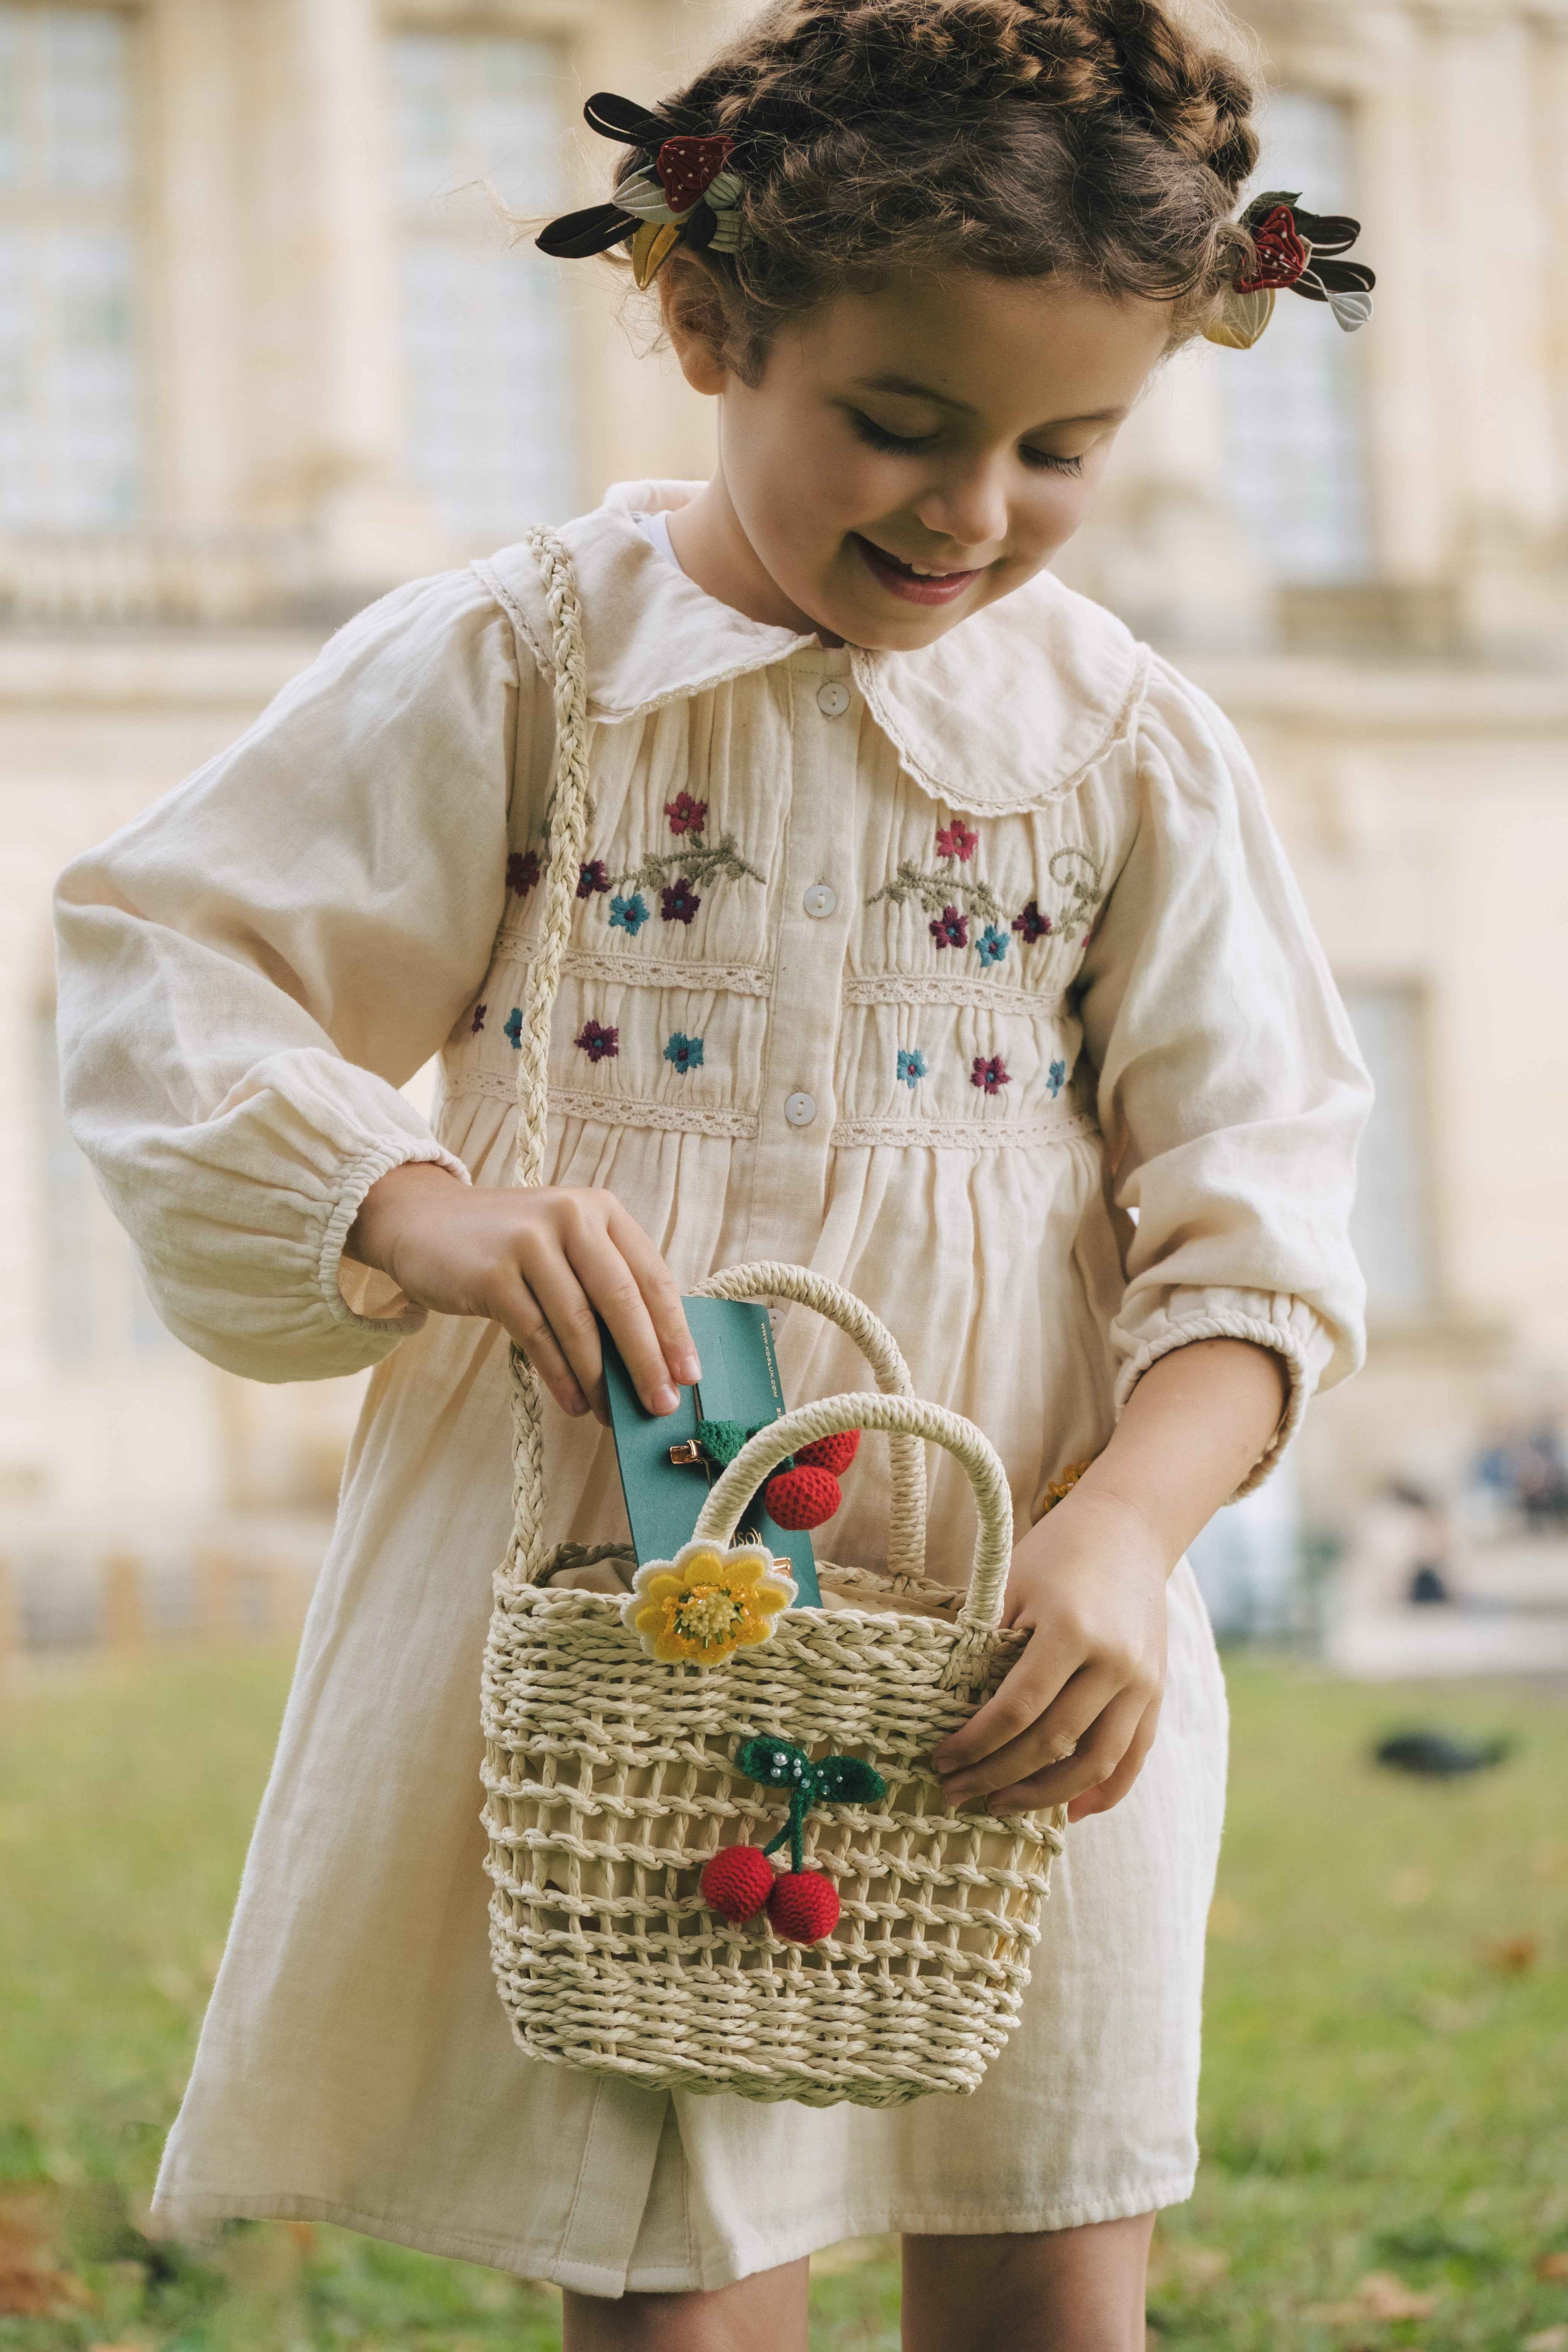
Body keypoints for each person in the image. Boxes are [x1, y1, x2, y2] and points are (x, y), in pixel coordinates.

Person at [53, 3, 1372, 2345]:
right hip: (626, 1587)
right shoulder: (521, 668)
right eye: (898, 423)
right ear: (702, 321)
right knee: (675, 2268)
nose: (973, 510)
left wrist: (1131, 1528)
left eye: (1065, 447)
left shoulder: (1132, 751)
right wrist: (419, 1209)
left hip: (1020, 1606)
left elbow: (1259, 1212)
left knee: (1046, 2255)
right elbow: (175, 969)